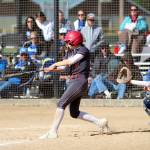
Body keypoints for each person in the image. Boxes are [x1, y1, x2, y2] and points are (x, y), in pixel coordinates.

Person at [39, 31, 109, 139]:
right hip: (74, 82)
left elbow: (70, 61)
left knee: (61, 104)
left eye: (69, 42)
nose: (67, 44)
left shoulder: (83, 50)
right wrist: (51, 69)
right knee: (74, 112)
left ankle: (53, 131)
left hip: (79, 81)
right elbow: (64, 67)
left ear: (75, 41)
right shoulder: (70, 51)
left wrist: (54, 64)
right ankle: (99, 122)